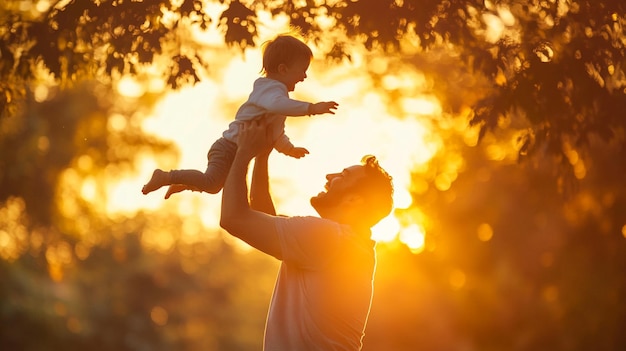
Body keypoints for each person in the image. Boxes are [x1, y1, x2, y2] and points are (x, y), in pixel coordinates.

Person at [220, 118, 394, 350]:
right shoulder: (345, 242)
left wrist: (244, 151)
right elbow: (263, 216)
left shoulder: (330, 238)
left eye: (342, 175)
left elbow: (234, 219)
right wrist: (262, 155)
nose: (329, 176)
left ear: (354, 200)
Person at [142, 34, 338, 199]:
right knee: (212, 184)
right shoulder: (270, 91)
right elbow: (279, 105)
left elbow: (276, 133)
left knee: (213, 185)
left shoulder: (277, 98)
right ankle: (167, 176)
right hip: (228, 148)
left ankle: (185, 182)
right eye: (302, 70)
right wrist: (312, 108)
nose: (304, 77)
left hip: (235, 152)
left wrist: (289, 149)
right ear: (283, 69)